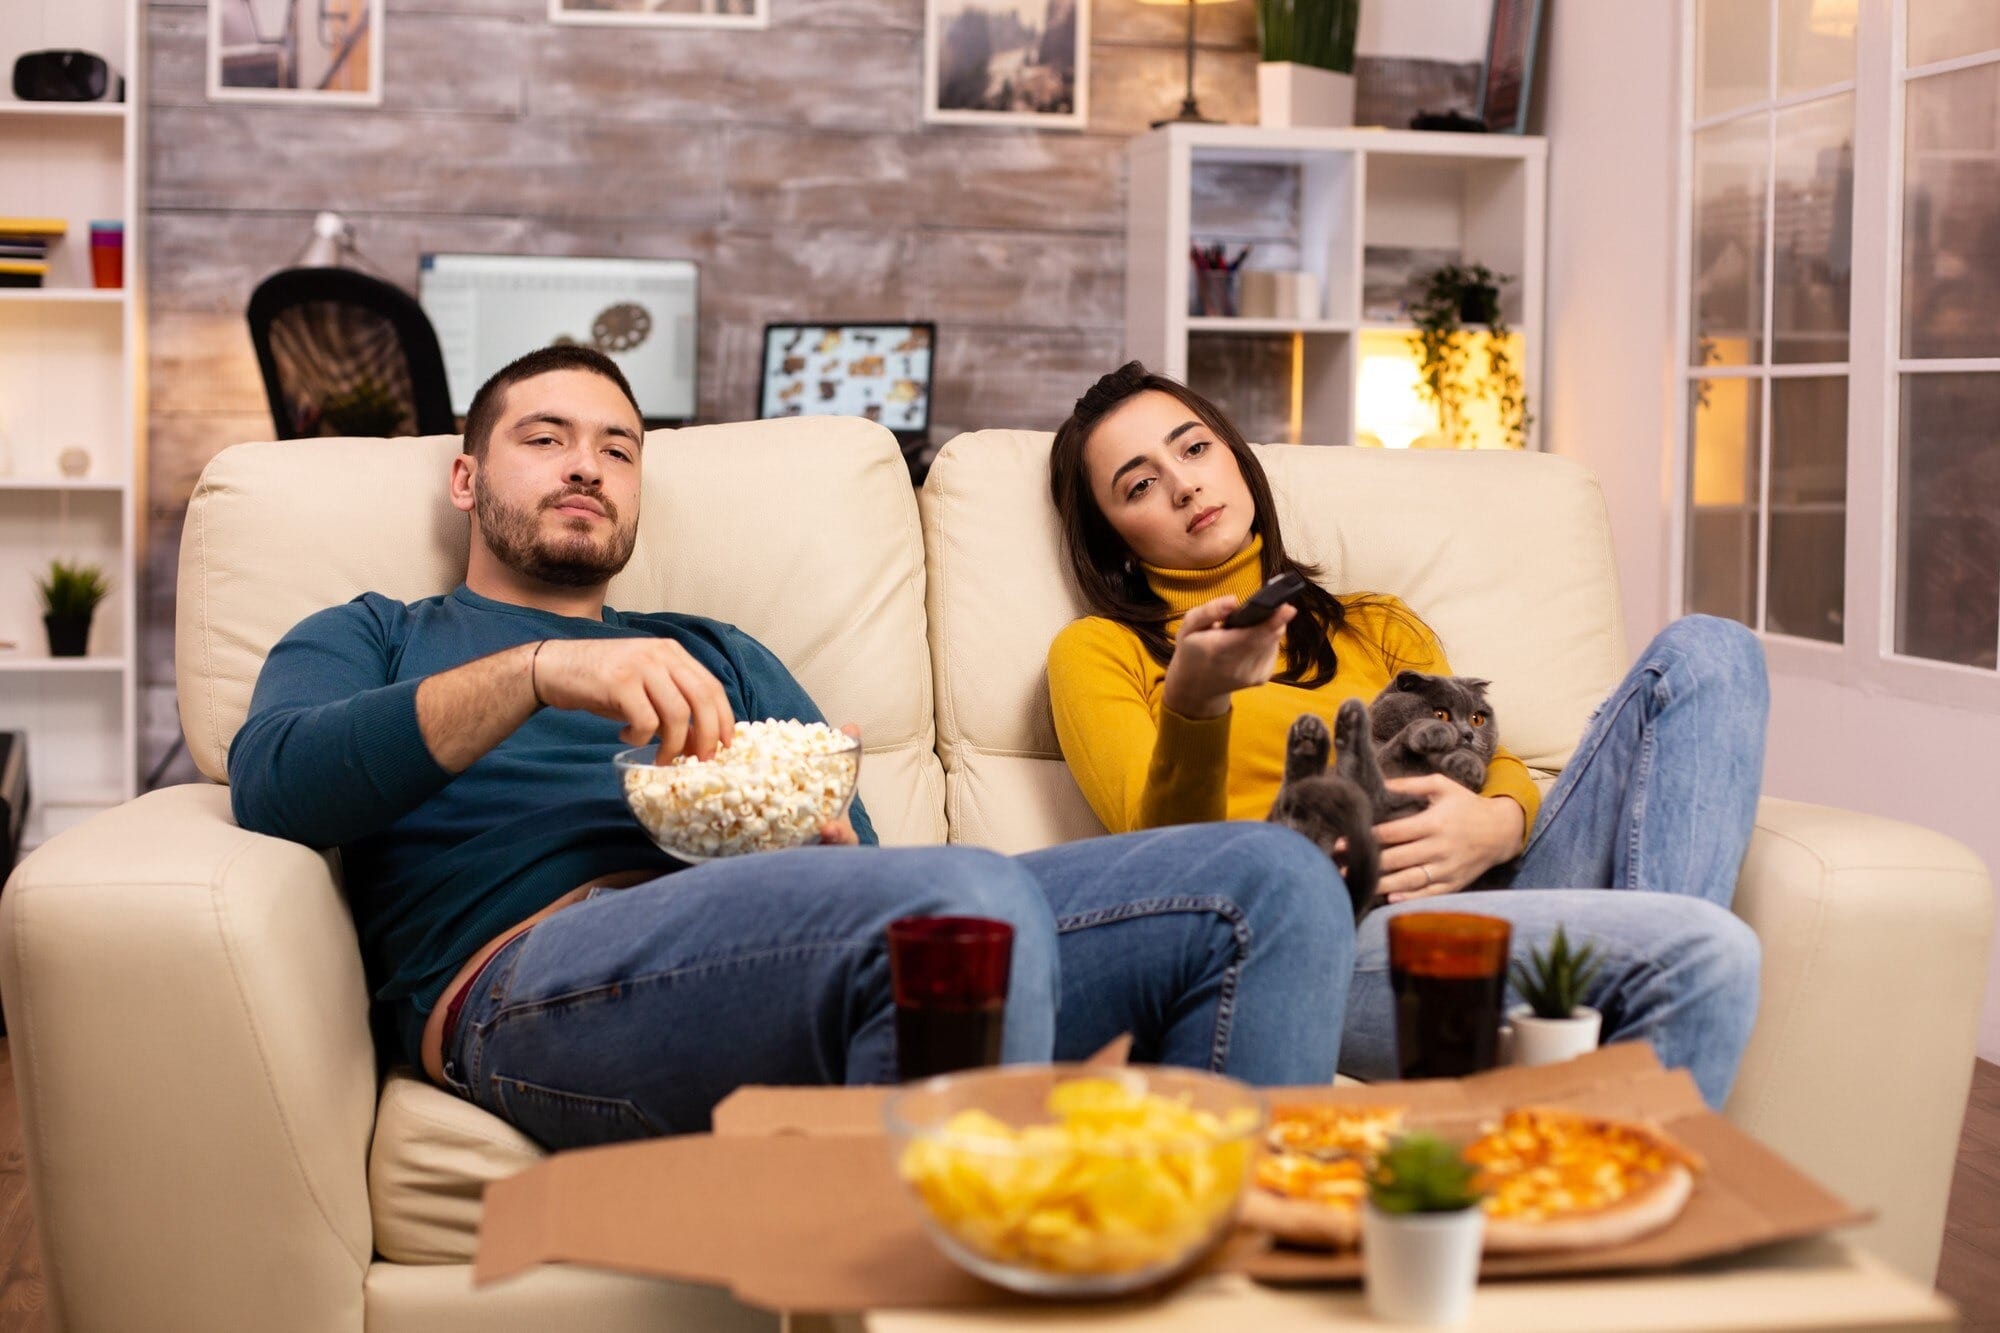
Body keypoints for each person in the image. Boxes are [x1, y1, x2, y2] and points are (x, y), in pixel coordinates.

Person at [228, 345, 1357, 1150]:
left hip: (785, 952)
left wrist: (798, 819)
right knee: (957, 916)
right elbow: (275, 783)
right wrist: (538, 674)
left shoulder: (717, 650)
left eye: (618, 450)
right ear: (467, 479)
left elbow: (857, 866)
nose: (587, 465)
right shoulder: (377, 633)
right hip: (524, 984)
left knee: (1273, 879)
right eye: (546, 438)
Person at [1045, 361, 1768, 1107]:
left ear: (1234, 456)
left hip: (1503, 884)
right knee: (1703, 950)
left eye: (1193, 449)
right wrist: (1198, 701)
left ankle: (1639, 977)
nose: (1184, 484)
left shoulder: (1373, 620)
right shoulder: (1103, 653)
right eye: (1139, 484)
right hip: (1336, 933)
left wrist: (1498, 822)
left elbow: (1494, 755)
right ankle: (1647, 1001)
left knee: (1710, 650)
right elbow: (1168, 862)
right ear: (1116, 543)